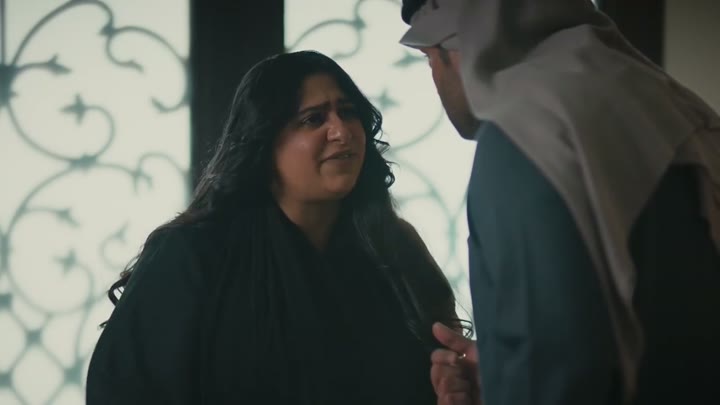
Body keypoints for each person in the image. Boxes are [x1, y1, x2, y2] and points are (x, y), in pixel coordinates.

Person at [86, 50, 470, 404]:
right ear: (265, 141)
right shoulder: (193, 254)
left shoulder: (395, 248)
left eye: (348, 112)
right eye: (313, 119)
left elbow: (444, 368)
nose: (341, 131)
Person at [397, 0, 720, 404]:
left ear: (454, 41)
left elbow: (552, 366)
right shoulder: (662, 100)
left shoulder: (524, 136)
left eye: (430, 59)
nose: (436, 77)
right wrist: (500, 372)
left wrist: (516, 384)